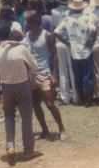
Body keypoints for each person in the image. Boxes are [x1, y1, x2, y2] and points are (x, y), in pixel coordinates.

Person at [0, 24, 39, 164]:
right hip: (22, 84)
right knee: (26, 118)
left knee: (9, 117)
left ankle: (10, 145)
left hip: (6, 86)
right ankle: (28, 150)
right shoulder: (21, 49)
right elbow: (34, 66)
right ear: (11, 33)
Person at [24, 11, 67, 139]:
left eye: (29, 21)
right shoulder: (27, 35)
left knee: (50, 104)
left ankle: (61, 128)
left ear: (36, 21)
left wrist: (54, 75)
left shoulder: (47, 36)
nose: (28, 24)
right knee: (35, 105)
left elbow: (54, 56)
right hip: (32, 75)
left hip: (45, 73)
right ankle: (44, 130)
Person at [54, 0, 97, 107]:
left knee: (77, 75)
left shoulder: (67, 19)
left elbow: (56, 31)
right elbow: (94, 30)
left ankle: (81, 98)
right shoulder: (87, 18)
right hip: (86, 51)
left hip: (74, 50)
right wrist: (91, 42)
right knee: (87, 76)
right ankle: (88, 99)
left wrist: (67, 42)